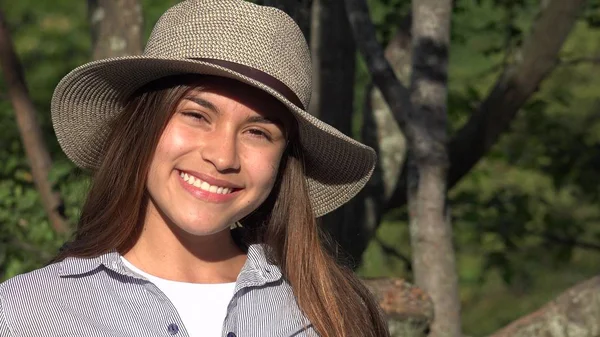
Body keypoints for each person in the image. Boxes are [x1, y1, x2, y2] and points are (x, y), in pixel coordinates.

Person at [0, 0, 389, 336]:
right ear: (144, 126)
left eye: (257, 132)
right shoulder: (24, 315)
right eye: (197, 115)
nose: (223, 156)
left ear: (283, 161)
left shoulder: (336, 315)